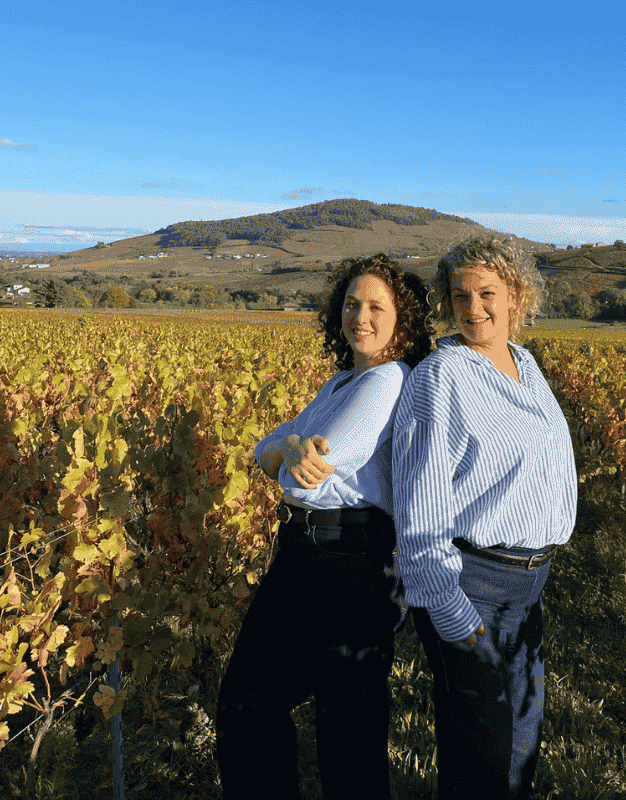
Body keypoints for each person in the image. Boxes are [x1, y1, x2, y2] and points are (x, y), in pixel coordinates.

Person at [216, 254, 432, 800]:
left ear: (402, 319)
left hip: (350, 562)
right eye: (352, 304)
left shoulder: (388, 380)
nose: (361, 316)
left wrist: (285, 451)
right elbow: (267, 449)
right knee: (249, 703)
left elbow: (307, 478)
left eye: (377, 307)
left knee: (346, 735)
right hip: (305, 554)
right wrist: (288, 446)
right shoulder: (340, 383)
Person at [392, 236, 577, 799]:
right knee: (481, 754)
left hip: (526, 589)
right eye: (460, 296)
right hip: (472, 585)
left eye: (487, 293)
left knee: (520, 741)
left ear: (516, 295)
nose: (473, 309)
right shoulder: (440, 376)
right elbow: (419, 502)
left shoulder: (525, 363)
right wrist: (446, 606)